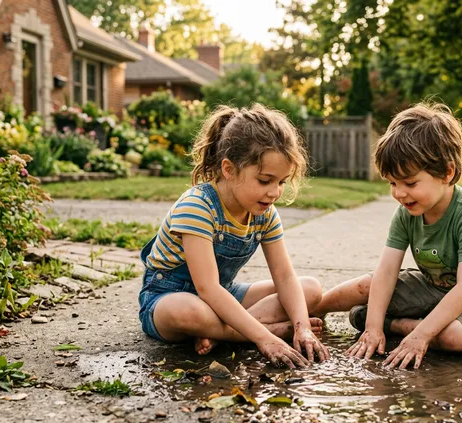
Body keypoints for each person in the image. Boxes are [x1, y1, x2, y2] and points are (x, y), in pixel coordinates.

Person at [311, 103, 462, 369]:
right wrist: (372, 328)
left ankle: (405, 325)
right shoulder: (407, 212)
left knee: (453, 337)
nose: (399, 193)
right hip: (434, 287)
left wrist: (420, 335)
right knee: (366, 289)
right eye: (392, 183)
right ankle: (315, 309)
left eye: (409, 183)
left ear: (447, 172)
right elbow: (385, 272)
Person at [138, 104, 330, 368]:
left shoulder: (265, 213)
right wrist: (266, 339)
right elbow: (207, 288)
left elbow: (284, 277)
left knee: (309, 288)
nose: (274, 192)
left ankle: (222, 334)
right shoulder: (197, 206)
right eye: (265, 180)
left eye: (282, 182)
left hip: (224, 296)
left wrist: (301, 328)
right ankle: (258, 332)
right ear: (229, 169)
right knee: (186, 310)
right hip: (167, 297)